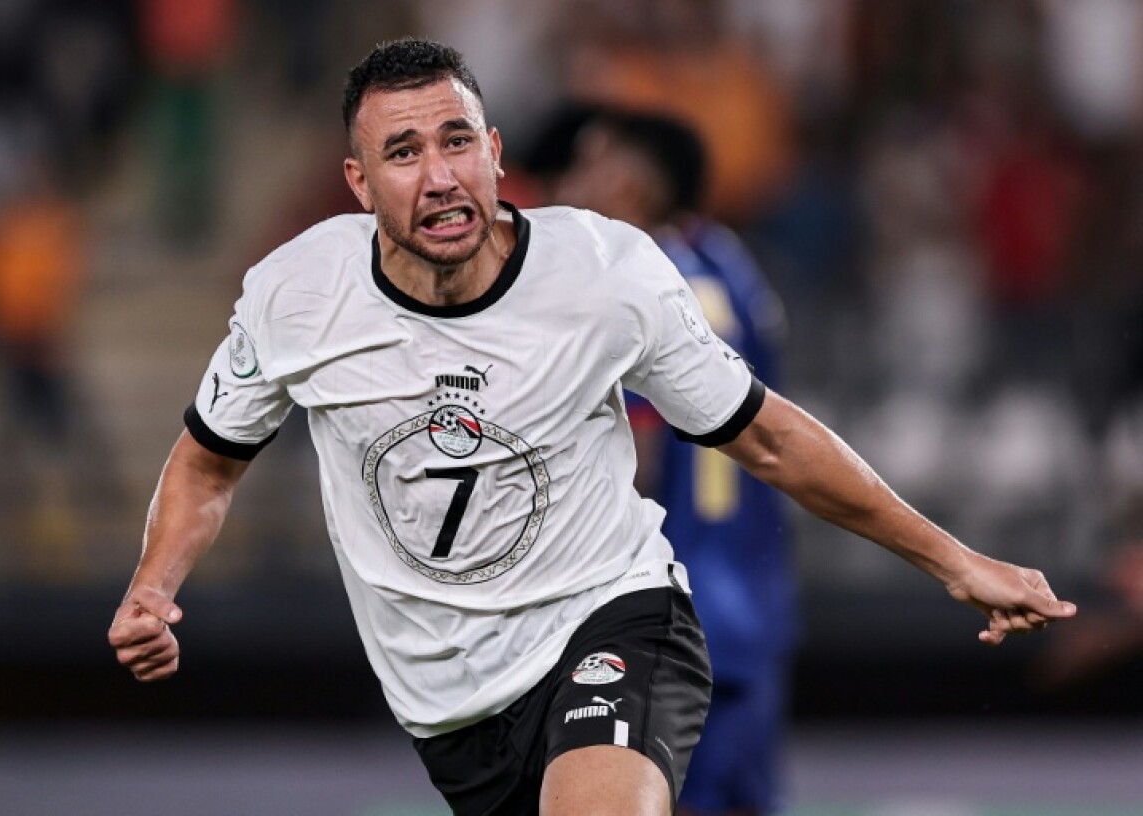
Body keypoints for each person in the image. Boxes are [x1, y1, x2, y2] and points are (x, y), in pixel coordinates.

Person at [108, 38, 1077, 816]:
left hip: (614, 620)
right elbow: (207, 464)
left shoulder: (608, 275)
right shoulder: (295, 296)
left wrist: (952, 560)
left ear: (495, 156)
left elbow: (767, 438)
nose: (438, 175)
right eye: (403, 154)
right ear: (359, 185)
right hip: (447, 704)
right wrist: (154, 588)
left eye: (456, 142)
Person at [546, 106, 795, 816]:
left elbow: (639, 458)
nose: (571, 182)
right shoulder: (731, 264)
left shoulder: (636, 284)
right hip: (753, 591)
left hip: (668, 605)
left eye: (589, 162)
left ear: (631, 182)